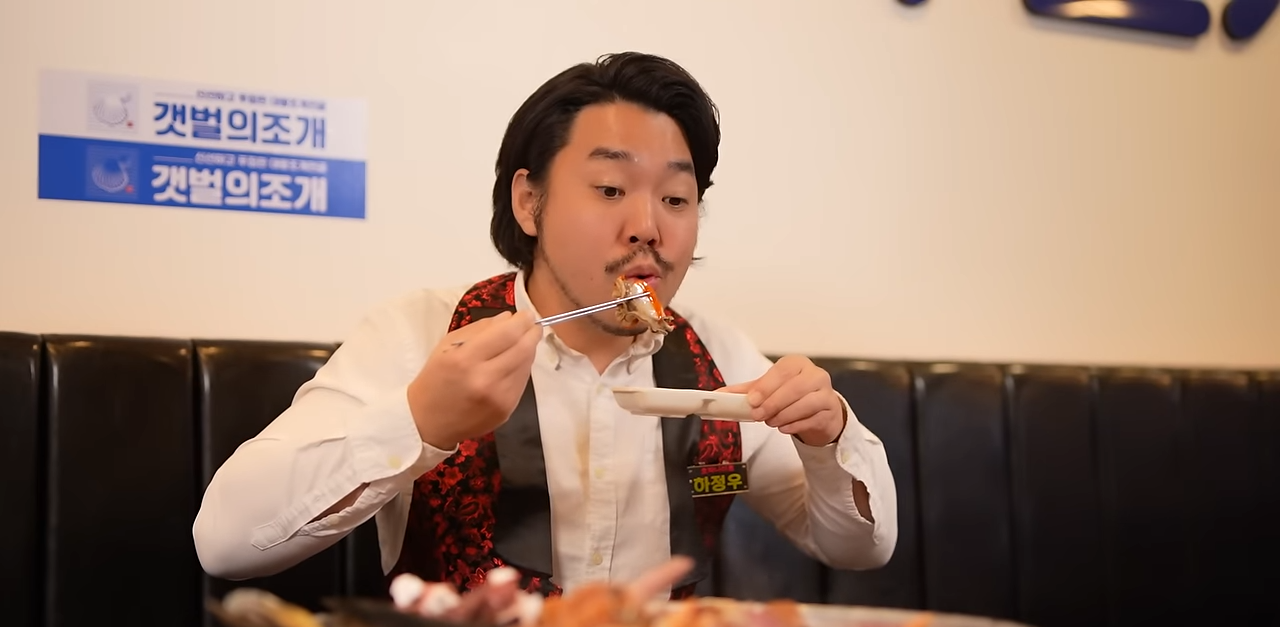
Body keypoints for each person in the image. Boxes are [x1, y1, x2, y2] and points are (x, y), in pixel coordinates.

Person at [193, 51, 898, 599]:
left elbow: (861, 548)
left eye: (676, 198)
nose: (647, 226)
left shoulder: (720, 356)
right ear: (529, 202)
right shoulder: (421, 332)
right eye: (611, 189)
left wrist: (829, 433)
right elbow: (225, 540)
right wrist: (420, 420)